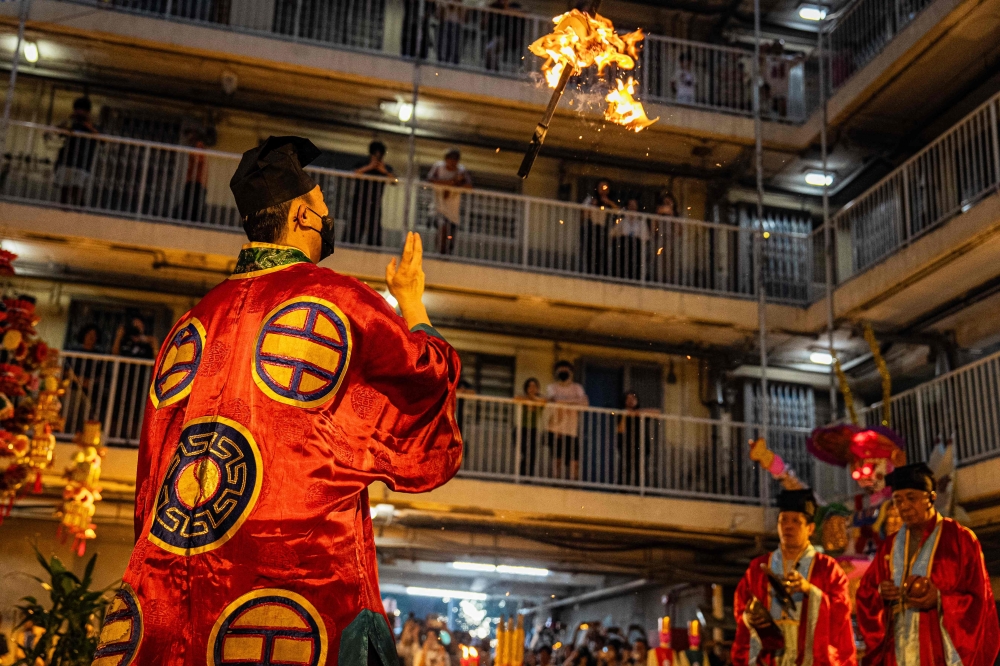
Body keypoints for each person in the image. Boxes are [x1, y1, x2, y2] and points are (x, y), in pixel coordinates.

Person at [91, 136, 463, 666]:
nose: (329, 218)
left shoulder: (193, 321)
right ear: (306, 216)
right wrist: (411, 301)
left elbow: (154, 472)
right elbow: (426, 373)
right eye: (325, 210)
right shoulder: (337, 298)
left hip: (181, 583)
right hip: (299, 570)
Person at [855, 463, 999, 666]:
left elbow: (980, 601)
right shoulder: (889, 546)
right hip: (897, 653)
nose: (904, 506)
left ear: (931, 497)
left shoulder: (960, 539)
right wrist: (880, 593)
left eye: (911, 498)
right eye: (898, 500)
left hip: (939, 652)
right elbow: (865, 593)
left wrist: (940, 599)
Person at [732, 488, 856, 666]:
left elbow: (840, 613)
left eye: (796, 521)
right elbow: (741, 606)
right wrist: (750, 617)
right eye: (783, 520)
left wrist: (809, 590)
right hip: (770, 658)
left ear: (810, 528)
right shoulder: (758, 568)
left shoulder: (827, 568)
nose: (788, 526)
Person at [545, 360, 588, 481]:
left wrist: (563, 401)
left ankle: (573, 483)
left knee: (575, 459)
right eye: (560, 369)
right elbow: (554, 400)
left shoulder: (577, 387)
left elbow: (585, 403)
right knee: (556, 458)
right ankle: (555, 482)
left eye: (566, 369)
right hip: (555, 428)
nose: (563, 371)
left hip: (571, 429)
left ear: (571, 372)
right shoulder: (552, 387)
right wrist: (575, 401)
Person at [54, 96, 100, 207]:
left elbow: (101, 138)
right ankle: (63, 216)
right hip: (67, 161)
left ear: (88, 112)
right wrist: (66, 123)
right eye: (77, 110)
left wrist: (88, 125)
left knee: (77, 192)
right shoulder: (71, 123)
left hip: (82, 163)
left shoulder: (93, 126)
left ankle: (79, 217)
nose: (79, 113)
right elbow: (58, 131)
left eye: (82, 110)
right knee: (64, 191)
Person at [349, 140, 396, 247]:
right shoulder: (363, 163)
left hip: (375, 202)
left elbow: (394, 181)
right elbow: (353, 174)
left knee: (374, 228)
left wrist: (383, 171)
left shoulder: (385, 167)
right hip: (359, 200)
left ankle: (373, 247)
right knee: (355, 225)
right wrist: (369, 167)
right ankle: (351, 245)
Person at [426, 148, 473, 255]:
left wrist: (456, 183)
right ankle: (440, 253)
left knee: (450, 237)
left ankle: (447, 254)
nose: (452, 163)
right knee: (442, 227)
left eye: (455, 160)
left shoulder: (461, 170)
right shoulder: (439, 167)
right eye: (450, 159)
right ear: (446, 159)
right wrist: (453, 181)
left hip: (453, 212)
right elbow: (430, 180)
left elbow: (469, 187)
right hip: (438, 208)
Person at [581, 180, 616, 275]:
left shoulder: (609, 201)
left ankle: (600, 272)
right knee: (590, 251)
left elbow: (619, 211)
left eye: (606, 188)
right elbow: (583, 214)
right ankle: (589, 272)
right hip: (591, 227)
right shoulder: (590, 199)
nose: (603, 190)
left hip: (603, 228)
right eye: (601, 187)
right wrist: (593, 204)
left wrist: (608, 202)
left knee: (602, 251)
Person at [610, 199, 649, 281]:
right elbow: (612, 233)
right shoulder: (623, 221)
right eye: (630, 205)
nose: (632, 207)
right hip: (625, 247)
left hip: (636, 247)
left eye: (634, 205)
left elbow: (646, 237)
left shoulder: (641, 222)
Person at [615, 391, 649, 486]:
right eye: (628, 399)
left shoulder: (641, 413)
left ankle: (642, 493)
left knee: (641, 472)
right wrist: (626, 415)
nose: (631, 401)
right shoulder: (621, 413)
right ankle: (623, 492)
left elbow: (657, 412)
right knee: (625, 470)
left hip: (641, 446)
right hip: (626, 447)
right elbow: (620, 429)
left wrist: (636, 413)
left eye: (633, 398)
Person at [515, 377, 545, 477]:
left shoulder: (541, 399)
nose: (532, 388)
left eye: (534, 386)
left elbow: (543, 402)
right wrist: (530, 399)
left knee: (532, 455)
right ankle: (521, 474)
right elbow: (516, 398)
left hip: (533, 430)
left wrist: (532, 399)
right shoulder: (523, 397)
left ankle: (527, 477)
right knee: (525, 451)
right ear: (526, 388)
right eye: (530, 386)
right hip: (520, 429)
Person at [177, 127, 208, 222]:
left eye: (190, 135)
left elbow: (198, 160)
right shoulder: (196, 147)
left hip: (196, 181)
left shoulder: (198, 146)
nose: (188, 138)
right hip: (194, 180)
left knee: (192, 204)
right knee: (190, 203)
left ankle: (192, 221)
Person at [652, 192, 677, 285]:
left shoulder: (675, 214)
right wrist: (659, 213)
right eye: (665, 202)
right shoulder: (659, 212)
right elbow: (654, 227)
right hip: (660, 238)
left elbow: (679, 230)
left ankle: (669, 280)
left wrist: (671, 214)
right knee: (659, 259)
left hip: (671, 239)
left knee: (670, 260)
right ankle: (658, 279)